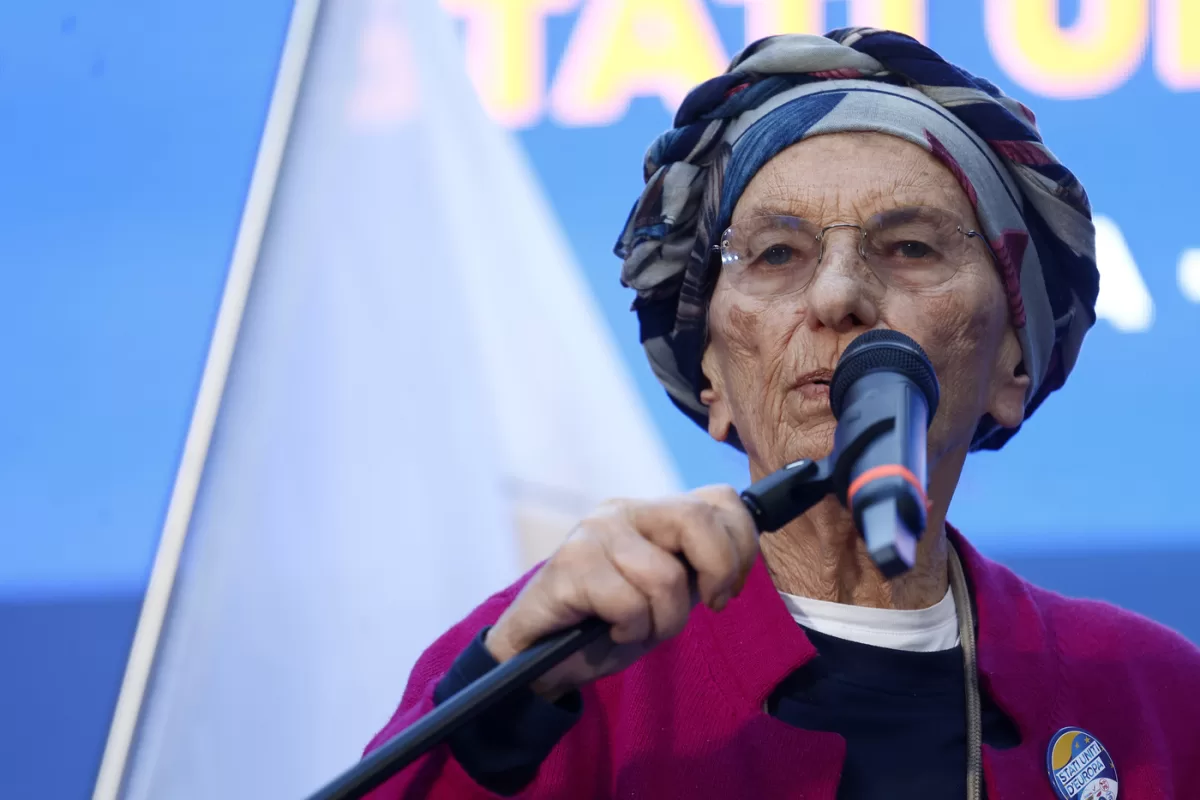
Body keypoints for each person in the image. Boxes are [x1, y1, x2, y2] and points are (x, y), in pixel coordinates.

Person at [364, 29, 1200, 799]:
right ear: (711, 378)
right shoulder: (554, 662)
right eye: (775, 254)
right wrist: (513, 702)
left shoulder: (1152, 694)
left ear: (1013, 363)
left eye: (911, 247)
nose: (838, 296)